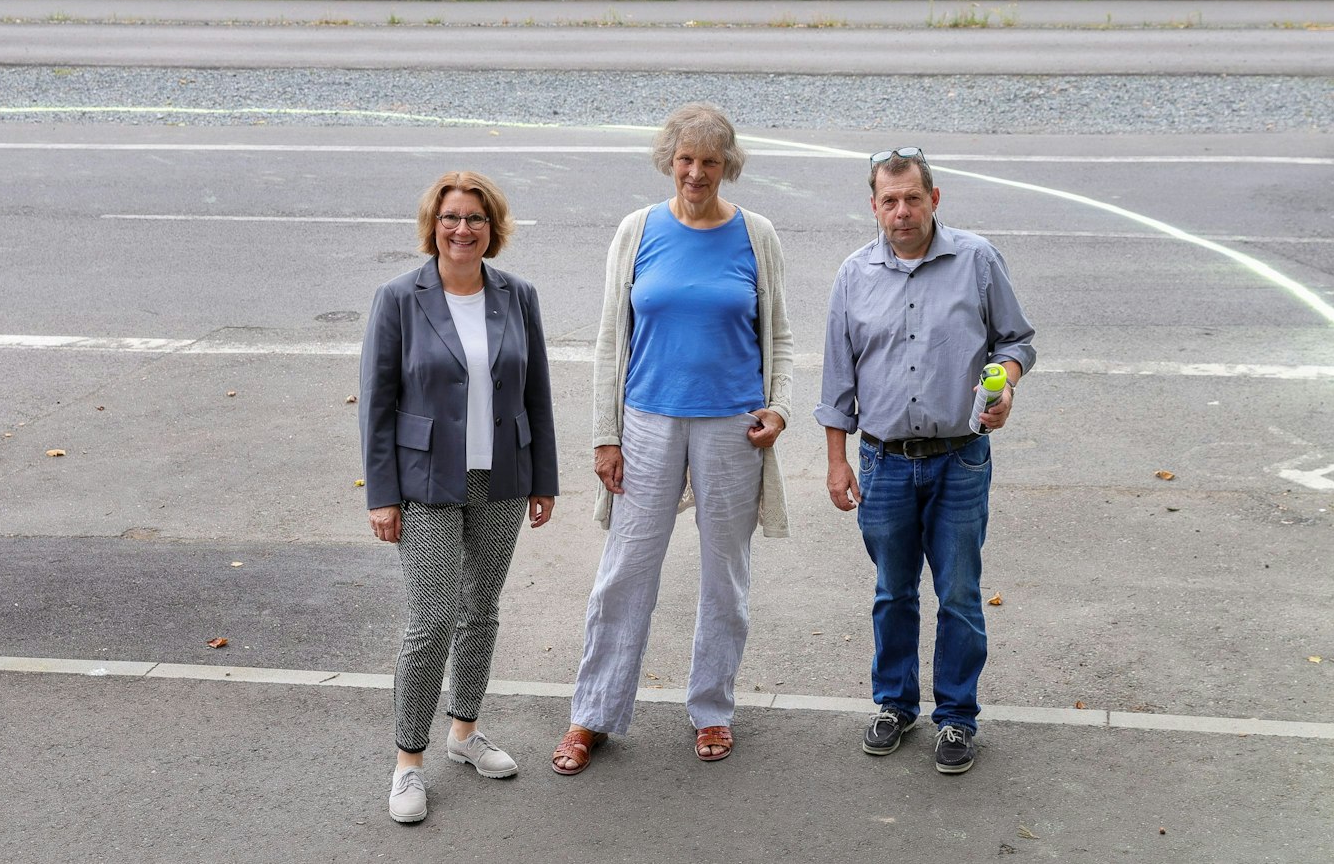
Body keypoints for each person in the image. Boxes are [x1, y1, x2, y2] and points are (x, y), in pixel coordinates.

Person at [551, 102, 795, 775]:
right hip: (646, 422)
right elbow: (609, 341)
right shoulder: (638, 231)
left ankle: (712, 708)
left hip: (732, 428)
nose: (697, 172)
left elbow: (780, 335)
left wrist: (779, 409)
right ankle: (592, 714)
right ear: (669, 161)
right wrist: (606, 435)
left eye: (710, 161)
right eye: (686, 159)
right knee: (624, 572)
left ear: (728, 166)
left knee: (726, 575)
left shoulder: (757, 234)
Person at [816, 146, 1035, 776]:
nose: (903, 211)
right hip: (883, 463)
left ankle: (958, 718)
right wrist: (837, 464)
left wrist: (1007, 384)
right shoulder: (854, 275)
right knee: (893, 593)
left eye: (913, 198)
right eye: (890, 200)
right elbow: (837, 385)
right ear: (875, 206)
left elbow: (1016, 340)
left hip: (959, 459)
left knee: (961, 593)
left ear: (934, 199)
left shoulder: (976, 260)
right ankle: (894, 705)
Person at [360, 171, 558, 824]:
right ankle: (408, 761)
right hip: (426, 480)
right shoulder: (399, 298)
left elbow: (537, 395)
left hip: (500, 475)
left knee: (482, 608)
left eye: (475, 218)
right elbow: (379, 405)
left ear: (491, 228)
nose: (462, 229)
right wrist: (382, 494)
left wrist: (543, 477)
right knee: (433, 618)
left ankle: (465, 733)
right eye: (451, 217)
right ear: (434, 225)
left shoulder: (517, 296)